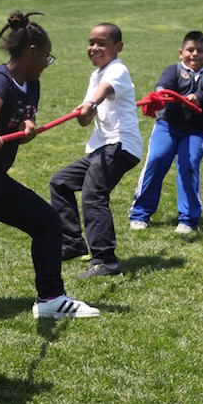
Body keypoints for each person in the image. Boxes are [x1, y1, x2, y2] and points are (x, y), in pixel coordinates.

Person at [0, 10, 100, 319]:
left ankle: (51, 299)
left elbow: (22, 121)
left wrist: (28, 126)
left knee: (47, 222)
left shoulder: (31, 82)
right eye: (46, 57)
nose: (47, 63)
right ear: (32, 52)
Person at [49, 23, 142, 278]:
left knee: (93, 192)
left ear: (118, 47)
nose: (94, 48)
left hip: (121, 144)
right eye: (91, 42)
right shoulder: (96, 75)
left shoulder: (117, 69)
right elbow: (87, 119)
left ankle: (106, 260)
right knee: (60, 182)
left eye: (102, 43)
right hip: (101, 147)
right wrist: (84, 112)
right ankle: (72, 243)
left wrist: (91, 102)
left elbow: (105, 92)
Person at [129, 31, 203, 234]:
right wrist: (161, 93)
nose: (194, 54)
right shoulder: (173, 70)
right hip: (167, 127)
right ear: (181, 52)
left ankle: (188, 219)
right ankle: (140, 213)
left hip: (196, 132)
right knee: (156, 159)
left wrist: (199, 97)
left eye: (200, 50)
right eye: (190, 49)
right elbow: (163, 85)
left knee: (188, 165)